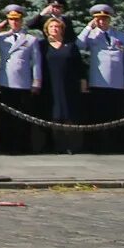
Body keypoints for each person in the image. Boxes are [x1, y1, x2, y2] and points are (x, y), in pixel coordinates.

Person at [76, 4, 124, 153]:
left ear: (109, 19)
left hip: (117, 83)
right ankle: (96, 146)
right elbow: (78, 45)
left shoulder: (119, 35)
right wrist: (88, 28)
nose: (102, 22)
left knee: (119, 117)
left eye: (104, 19)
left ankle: (120, 146)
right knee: (97, 116)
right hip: (98, 81)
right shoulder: (92, 35)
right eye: (98, 19)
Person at [0, 4, 41, 154]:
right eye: (11, 20)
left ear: (22, 20)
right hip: (6, 81)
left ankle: (24, 146)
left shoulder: (31, 39)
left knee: (23, 117)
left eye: (17, 19)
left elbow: (37, 62)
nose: (14, 22)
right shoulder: (1, 38)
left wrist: (36, 81)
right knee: (6, 118)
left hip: (23, 82)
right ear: (7, 21)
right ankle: (6, 147)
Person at [40, 15, 83, 154]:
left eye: (57, 27)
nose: (54, 29)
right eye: (51, 27)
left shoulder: (70, 45)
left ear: (62, 29)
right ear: (47, 30)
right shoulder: (42, 45)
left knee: (69, 114)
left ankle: (70, 145)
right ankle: (55, 145)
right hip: (50, 85)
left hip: (68, 84)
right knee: (53, 114)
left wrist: (83, 80)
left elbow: (79, 65)